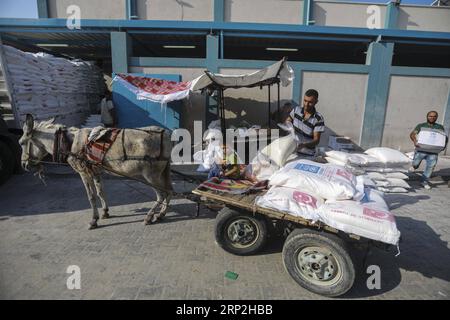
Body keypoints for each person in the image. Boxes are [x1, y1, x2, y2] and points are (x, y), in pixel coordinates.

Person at [409, 110, 448, 189]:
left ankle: (424, 181)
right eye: (430, 116)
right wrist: (414, 141)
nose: (432, 118)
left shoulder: (440, 127)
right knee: (415, 164)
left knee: (430, 167)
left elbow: (444, 137)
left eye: (434, 116)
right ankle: (414, 166)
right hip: (421, 149)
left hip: (433, 152)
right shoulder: (421, 126)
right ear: (427, 116)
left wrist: (443, 146)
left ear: (436, 117)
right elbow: (412, 134)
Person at [286, 89, 325, 157]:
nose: (306, 104)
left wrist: (304, 145)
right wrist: (289, 126)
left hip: (307, 154)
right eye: (305, 101)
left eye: (310, 102)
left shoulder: (318, 119)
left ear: (316, 102)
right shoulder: (296, 110)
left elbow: (316, 140)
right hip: (292, 151)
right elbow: (288, 120)